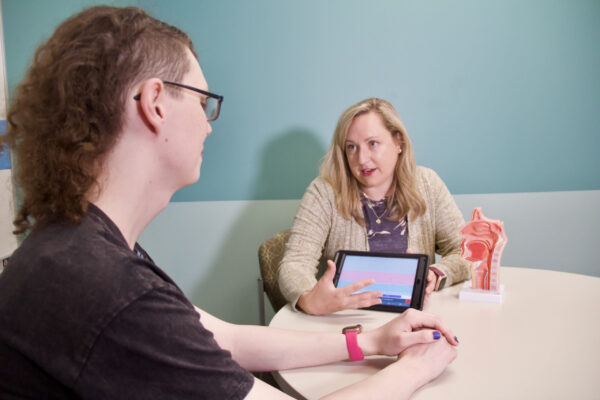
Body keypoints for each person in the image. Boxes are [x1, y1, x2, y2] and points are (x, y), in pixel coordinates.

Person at [0, 6, 458, 399]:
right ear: (156, 102)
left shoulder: (77, 249)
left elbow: (225, 337)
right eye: (203, 102)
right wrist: (417, 367)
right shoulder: (108, 290)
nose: (208, 125)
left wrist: (372, 340)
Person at [278, 98, 470, 315]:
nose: (361, 159)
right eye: (352, 147)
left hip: (413, 319)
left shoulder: (427, 184)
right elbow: (295, 264)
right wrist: (308, 298)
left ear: (399, 142)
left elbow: (467, 251)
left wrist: (436, 274)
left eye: (372, 143)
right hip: (347, 322)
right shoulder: (324, 191)